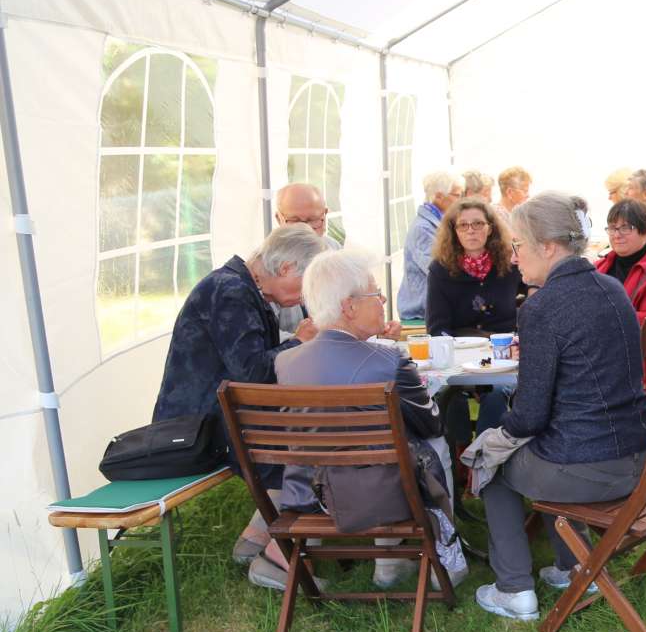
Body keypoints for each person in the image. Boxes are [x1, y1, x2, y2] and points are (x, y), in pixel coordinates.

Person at [472, 192, 646, 621]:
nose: (514, 258)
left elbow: (532, 416)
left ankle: (514, 590)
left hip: (593, 469)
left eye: (518, 245)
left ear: (549, 247)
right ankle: (574, 565)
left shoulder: (541, 307)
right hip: (641, 459)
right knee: (548, 448)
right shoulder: (612, 287)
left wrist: (497, 434)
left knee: (490, 461)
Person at [273, 248, 469, 589]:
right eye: (375, 294)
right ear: (349, 307)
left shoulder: (286, 362)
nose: (382, 300)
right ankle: (440, 561)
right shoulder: (388, 360)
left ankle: (391, 564)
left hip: (309, 493)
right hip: (379, 494)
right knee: (431, 441)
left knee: (380, 445)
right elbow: (431, 423)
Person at [151, 223, 328, 587]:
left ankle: (254, 542)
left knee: (307, 430)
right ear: (285, 269)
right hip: (196, 430)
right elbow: (253, 373)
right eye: (304, 284)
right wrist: (299, 342)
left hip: (215, 418)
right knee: (309, 444)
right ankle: (277, 559)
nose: (303, 296)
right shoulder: (230, 292)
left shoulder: (242, 287)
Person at [596, 198, 646, 414]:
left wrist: (597, 318)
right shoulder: (600, 268)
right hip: (601, 359)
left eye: (626, 227)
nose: (617, 234)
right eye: (612, 227)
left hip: (639, 368)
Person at [426, 199, 521, 337]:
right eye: (463, 225)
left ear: (490, 229)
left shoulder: (510, 261)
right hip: (462, 350)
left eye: (478, 224)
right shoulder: (440, 269)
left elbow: (536, 283)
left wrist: (532, 291)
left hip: (505, 346)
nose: (470, 231)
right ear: (454, 231)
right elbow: (437, 329)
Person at [271, 183, 343, 336]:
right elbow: (266, 334)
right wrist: (299, 339)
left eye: (313, 221)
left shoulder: (334, 250)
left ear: (325, 215)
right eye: (295, 221)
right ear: (279, 219)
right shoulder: (267, 263)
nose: (305, 230)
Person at [399, 170, 463, 320]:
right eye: (457, 195)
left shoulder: (440, 222)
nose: (460, 201)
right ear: (439, 195)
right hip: (420, 312)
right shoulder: (423, 229)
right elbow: (436, 269)